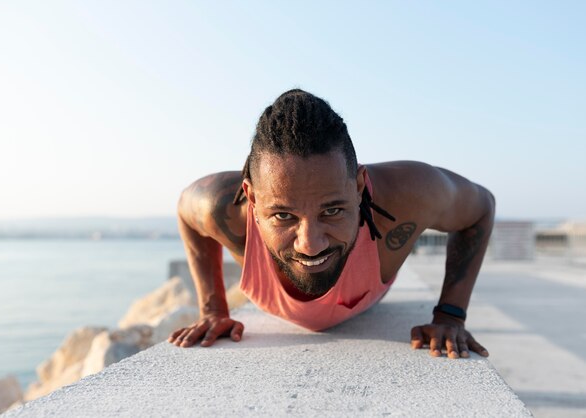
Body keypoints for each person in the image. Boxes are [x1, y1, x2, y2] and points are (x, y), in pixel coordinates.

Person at [169, 89, 495, 359]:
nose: (310, 244)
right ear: (251, 198)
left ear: (358, 186)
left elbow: (482, 207)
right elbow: (186, 212)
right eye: (283, 216)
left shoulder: (412, 194)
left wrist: (451, 314)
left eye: (332, 211)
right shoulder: (220, 206)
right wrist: (213, 309)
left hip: (370, 295)